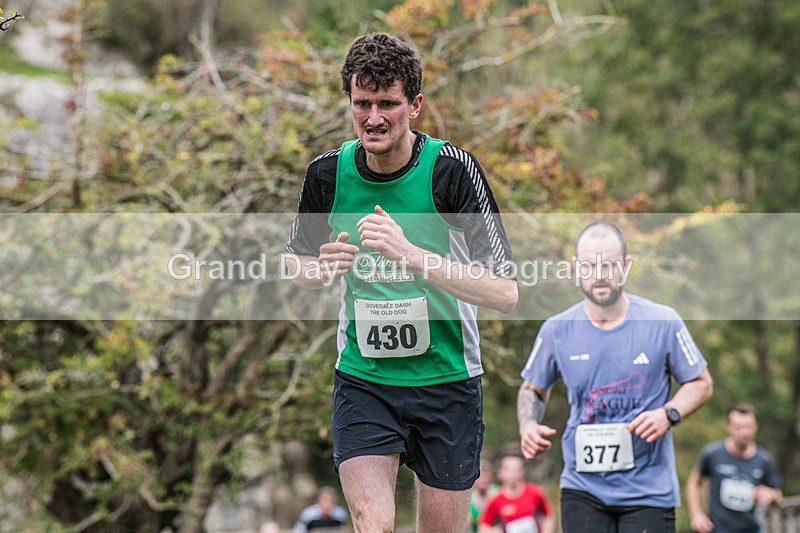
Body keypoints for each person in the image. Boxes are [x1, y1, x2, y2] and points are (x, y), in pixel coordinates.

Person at [285, 32, 518, 533]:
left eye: (387, 104)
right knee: (374, 525)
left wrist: (412, 255)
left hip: (448, 383)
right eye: (361, 103)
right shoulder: (327, 175)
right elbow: (295, 265)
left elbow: (505, 291)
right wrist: (319, 268)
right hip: (365, 380)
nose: (373, 118)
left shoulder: (451, 172)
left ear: (413, 105)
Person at [516, 221, 714, 533]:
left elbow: (701, 383)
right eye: (590, 266)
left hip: (649, 490)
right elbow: (533, 390)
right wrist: (527, 424)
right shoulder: (556, 329)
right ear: (576, 267)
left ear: (625, 267)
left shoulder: (663, 321)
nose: (600, 275)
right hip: (583, 486)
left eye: (609, 265)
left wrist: (669, 413)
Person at [686, 403, 782, 533]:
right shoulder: (712, 454)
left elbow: (778, 495)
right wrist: (696, 515)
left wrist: (770, 496)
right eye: (739, 427)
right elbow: (694, 483)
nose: (744, 432)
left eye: (748, 427)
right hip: (717, 529)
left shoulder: (764, 459)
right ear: (729, 427)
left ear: (755, 427)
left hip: (751, 529)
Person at [478, 453, 555, 533]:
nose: (513, 474)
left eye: (516, 469)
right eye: (508, 470)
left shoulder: (535, 492)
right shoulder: (495, 500)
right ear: (500, 473)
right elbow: (483, 527)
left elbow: (548, 515)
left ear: (522, 471)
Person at [469, 459, 499, 533]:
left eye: (486, 476)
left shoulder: (499, 493)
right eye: (480, 476)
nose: (483, 480)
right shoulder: (468, 500)